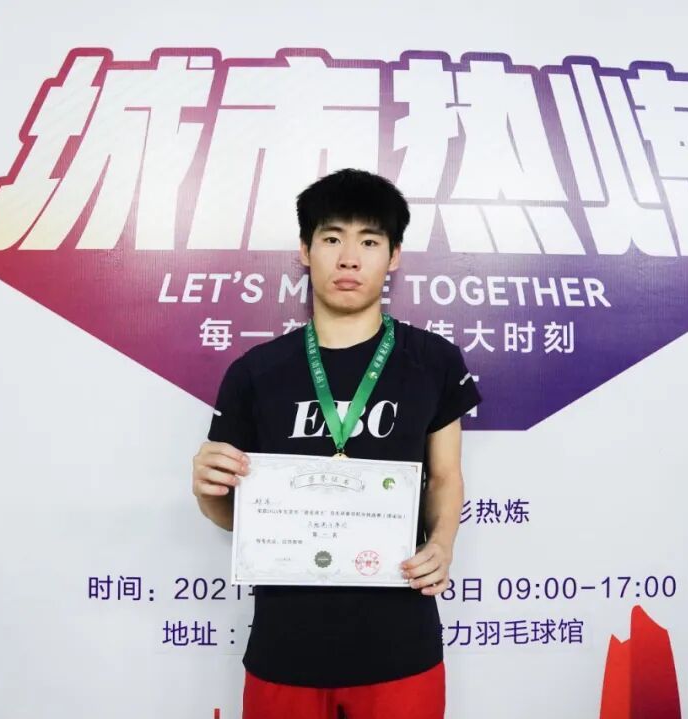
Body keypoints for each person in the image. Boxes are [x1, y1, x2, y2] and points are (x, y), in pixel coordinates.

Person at [191, 168, 481, 719]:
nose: (349, 259)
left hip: (401, 646)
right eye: (331, 239)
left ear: (394, 257)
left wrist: (442, 545)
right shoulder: (256, 372)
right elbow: (232, 514)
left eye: (369, 242)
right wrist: (208, 490)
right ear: (305, 251)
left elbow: (445, 476)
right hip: (285, 649)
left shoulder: (433, 362)